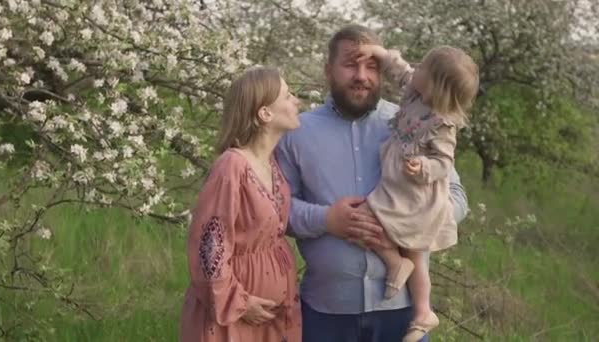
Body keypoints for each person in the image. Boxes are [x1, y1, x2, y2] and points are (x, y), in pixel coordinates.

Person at [276, 24, 469, 342]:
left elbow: (458, 197)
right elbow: (277, 210)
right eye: (351, 64)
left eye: (372, 66)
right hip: (325, 315)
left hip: (403, 315)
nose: (362, 76)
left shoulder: (414, 123)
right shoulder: (296, 133)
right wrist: (328, 219)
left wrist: (414, 216)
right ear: (328, 70)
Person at [354, 44, 479, 342]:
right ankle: (405, 278)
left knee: (401, 240)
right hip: (398, 185)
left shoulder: (443, 124)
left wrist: (423, 166)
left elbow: (443, 163)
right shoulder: (415, 90)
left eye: (423, 68)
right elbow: (399, 68)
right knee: (401, 243)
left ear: (436, 84)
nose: (416, 70)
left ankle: (422, 309)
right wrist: (377, 51)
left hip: (416, 194)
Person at [180, 66, 302, 342]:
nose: (297, 101)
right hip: (234, 319)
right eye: (287, 95)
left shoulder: (271, 165)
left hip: (270, 318)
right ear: (265, 113)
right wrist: (240, 302)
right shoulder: (232, 166)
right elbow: (210, 246)